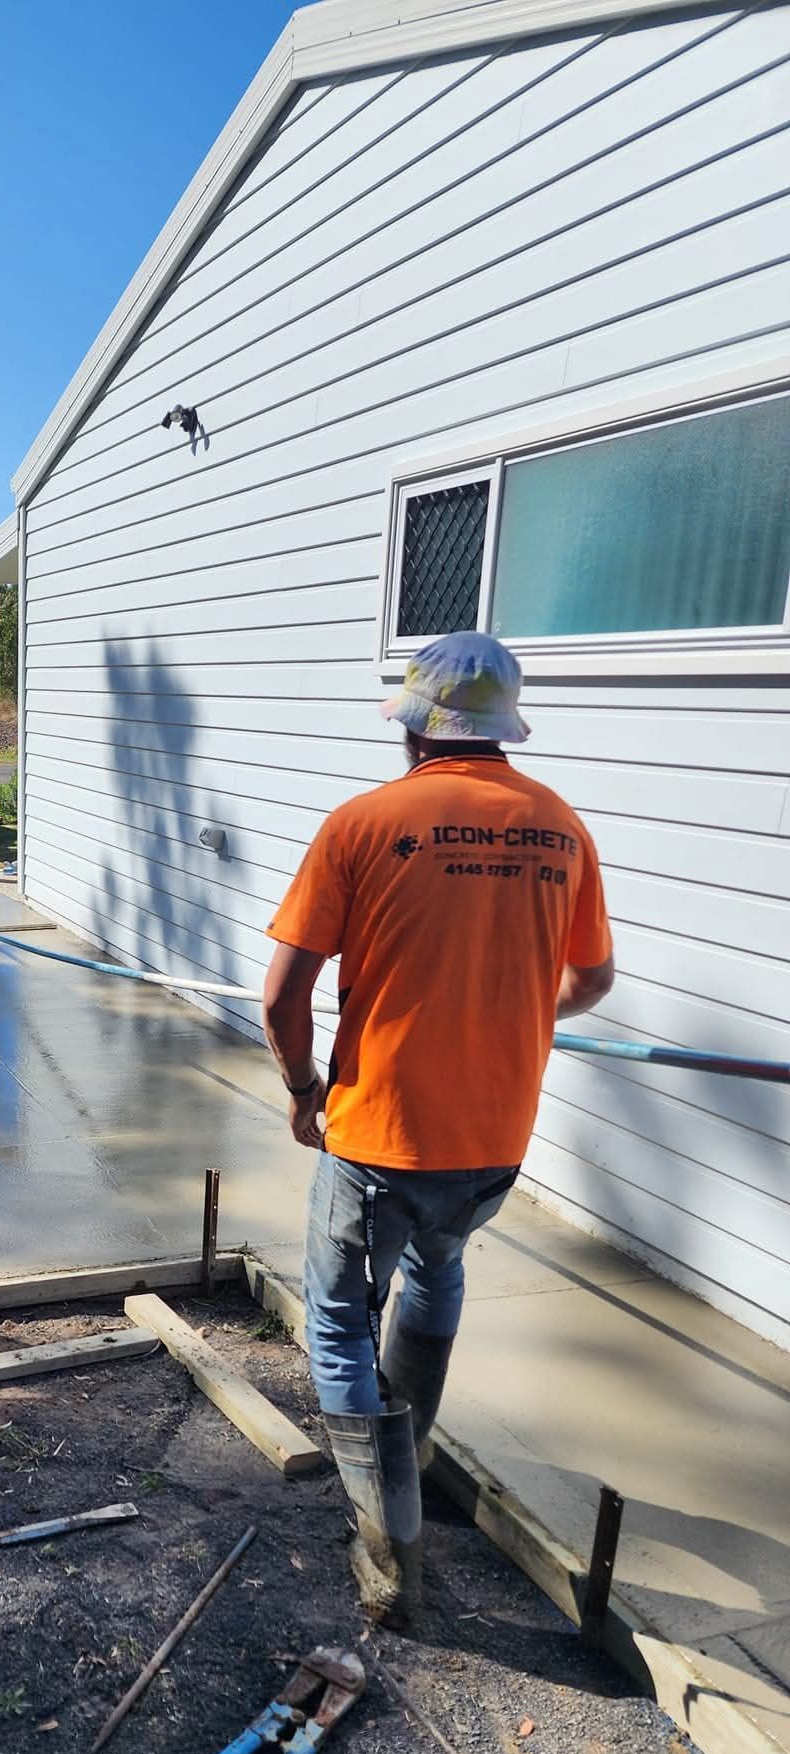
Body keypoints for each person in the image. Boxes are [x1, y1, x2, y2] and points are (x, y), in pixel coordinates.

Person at [261, 631, 615, 1627]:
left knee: (337, 1315)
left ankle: (390, 1546)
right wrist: (509, 1015)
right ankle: (410, 1456)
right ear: (503, 730)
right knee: (437, 1267)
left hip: (379, 1139)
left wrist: (302, 1089)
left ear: (416, 726)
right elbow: (589, 979)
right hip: (494, 1143)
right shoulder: (560, 828)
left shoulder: (367, 822)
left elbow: (284, 993)